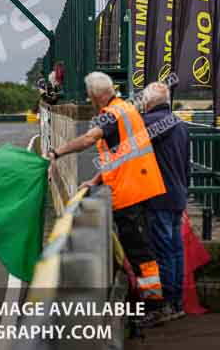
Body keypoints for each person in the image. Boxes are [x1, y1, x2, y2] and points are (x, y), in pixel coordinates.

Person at [44, 72, 167, 327]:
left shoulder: (110, 115)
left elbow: (89, 139)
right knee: (141, 249)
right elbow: (121, 154)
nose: (89, 99)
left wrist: (58, 152)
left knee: (141, 252)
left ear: (95, 95)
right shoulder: (125, 110)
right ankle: (149, 302)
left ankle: (154, 307)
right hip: (140, 186)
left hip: (130, 191)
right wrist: (96, 180)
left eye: (89, 96)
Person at [142, 82, 190, 322]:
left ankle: (165, 306)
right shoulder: (180, 124)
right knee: (176, 250)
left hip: (158, 196)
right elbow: (185, 164)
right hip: (178, 195)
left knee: (162, 252)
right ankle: (177, 302)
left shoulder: (149, 123)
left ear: (149, 103)